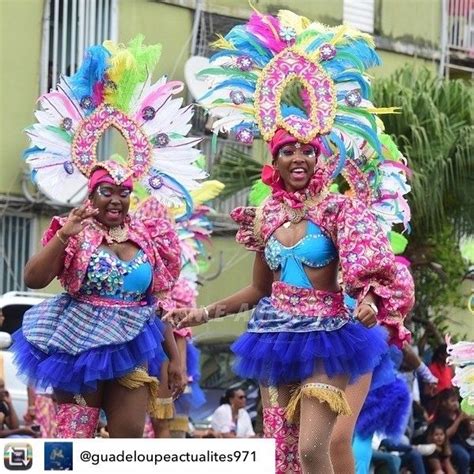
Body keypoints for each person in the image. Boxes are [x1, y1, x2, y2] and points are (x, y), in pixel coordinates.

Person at [165, 9, 414, 473]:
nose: (297, 157)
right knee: (280, 455)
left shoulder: (342, 210)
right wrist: (201, 313)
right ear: (273, 159)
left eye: (305, 149)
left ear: (318, 156)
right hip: (275, 335)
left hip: (327, 336)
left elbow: (368, 267)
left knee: (313, 449)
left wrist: (365, 300)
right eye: (286, 150)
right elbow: (259, 290)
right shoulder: (266, 215)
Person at [11, 36, 204, 438]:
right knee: (74, 440)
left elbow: (156, 302)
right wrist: (65, 234)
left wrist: (175, 358)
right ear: (91, 191)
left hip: (133, 341)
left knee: (130, 437)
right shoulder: (74, 229)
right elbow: (32, 279)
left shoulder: (147, 235)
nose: (116, 200)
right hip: (78, 342)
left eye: (124, 192)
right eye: (107, 191)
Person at [432, 388, 472, 473]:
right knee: (464, 457)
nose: (456, 404)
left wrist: (468, 421)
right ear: (444, 403)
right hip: (450, 444)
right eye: (452, 401)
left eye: (456, 401)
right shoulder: (441, 417)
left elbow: (469, 432)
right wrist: (459, 419)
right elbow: (446, 435)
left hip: (464, 443)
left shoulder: (458, 413)